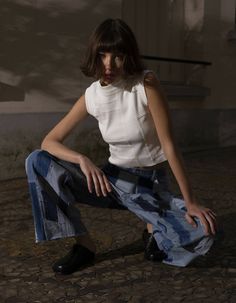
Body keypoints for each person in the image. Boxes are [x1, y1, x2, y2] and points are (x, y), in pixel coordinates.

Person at [25, 18, 217, 275]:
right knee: (37, 161)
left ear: (128, 56)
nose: (109, 64)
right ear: (94, 55)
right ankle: (84, 245)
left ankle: (153, 230)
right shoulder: (92, 95)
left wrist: (191, 202)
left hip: (148, 185)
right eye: (103, 55)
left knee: (206, 234)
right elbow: (49, 141)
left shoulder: (145, 84)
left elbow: (169, 145)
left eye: (117, 56)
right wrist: (82, 159)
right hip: (111, 181)